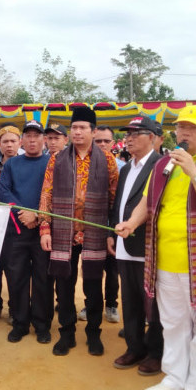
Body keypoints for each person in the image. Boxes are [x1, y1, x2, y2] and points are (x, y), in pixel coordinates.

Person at [116, 105, 196, 390]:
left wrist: (194, 173)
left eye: (193, 128)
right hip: (164, 259)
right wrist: (131, 222)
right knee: (172, 324)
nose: (184, 133)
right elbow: (147, 200)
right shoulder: (162, 166)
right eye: (181, 127)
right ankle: (174, 378)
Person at [39, 106, 119, 357]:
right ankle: (67, 333)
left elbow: (114, 198)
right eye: (74, 128)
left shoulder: (107, 160)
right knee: (64, 284)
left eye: (83, 128)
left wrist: (110, 232)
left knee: (94, 284)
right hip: (64, 231)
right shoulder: (58, 158)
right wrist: (44, 228)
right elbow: (46, 193)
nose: (77, 132)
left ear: (93, 132)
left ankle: (93, 333)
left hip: (94, 231)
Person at [108, 116, 164, 376]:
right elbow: (118, 202)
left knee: (151, 303)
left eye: (136, 133)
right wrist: (112, 230)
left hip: (148, 244)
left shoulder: (161, 165)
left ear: (152, 137)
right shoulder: (126, 168)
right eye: (127, 134)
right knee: (129, 299)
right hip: (122, 242)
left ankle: (155, 353)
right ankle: (134, 347)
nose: (129, 138)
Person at [0, 120, 53, 344]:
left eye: (36, 135)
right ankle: (20, 322)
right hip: (17, 230)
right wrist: (25, 214)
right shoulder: (12, 164)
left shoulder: (52, 163)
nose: (32, 140)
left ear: (44, 139)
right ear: (22, 140)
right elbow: (4, 191)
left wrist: (38, 217)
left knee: (43, 278)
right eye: (28, 136)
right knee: (17, 277)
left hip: (43, 231)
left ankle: (42, 324)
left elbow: (54, 193)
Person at [80, 125, 120, 325]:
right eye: (99, 141)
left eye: (106, 141)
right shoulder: (84, 165)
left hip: (112, 229)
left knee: (112, 271)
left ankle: (111, 304)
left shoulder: (121, 167)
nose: (103, 144)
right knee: (90, 270)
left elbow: (118, 201)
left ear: (113, 144)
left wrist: (112, 229)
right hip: (91, 228)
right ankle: (90, 304)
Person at [0, 123, 22, 325]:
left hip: (16, 224)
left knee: (14, 268)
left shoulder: (25, 162)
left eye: (13, 141)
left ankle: (15, 308)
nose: (9, 145)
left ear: (20, 143)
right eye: (5, 141)